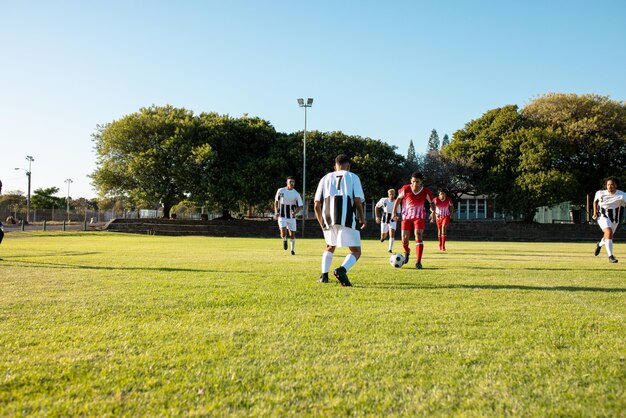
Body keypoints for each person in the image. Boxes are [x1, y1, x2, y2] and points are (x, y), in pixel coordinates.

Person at [314, 154, 366, 286]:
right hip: (346, 216)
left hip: (328, 217)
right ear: (348, 166)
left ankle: (324, 276)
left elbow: (316, 204)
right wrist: (362, 217)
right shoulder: (352, 176)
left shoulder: (325, 178)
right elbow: (357, 200)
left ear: (334, 167)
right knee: (355, 250)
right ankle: (342, 270)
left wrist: (322, 223)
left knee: (330, 246)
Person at [392, 172, 434, 269]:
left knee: (418, 235)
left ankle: (418, 261)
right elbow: (398, 199)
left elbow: (431, 203)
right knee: (404, 238)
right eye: (413, 181)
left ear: (421, 182)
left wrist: (433, 211)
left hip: (419, 217)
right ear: (411, 180)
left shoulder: (426, 191)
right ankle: (407, 251)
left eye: (417, 181)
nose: (415, 183)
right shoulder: (406, 188)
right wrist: (394, 212)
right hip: (406, 217)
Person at [592, 176, 626, 263]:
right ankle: (610, 256)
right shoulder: (600, 193)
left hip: (615, 219)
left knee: (608, 236)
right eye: (608, 185)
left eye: (612, 185)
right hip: (602, 216)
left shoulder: (622, 195)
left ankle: (599, 244)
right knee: (608, 231)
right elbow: (595, 201)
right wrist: (595, 213)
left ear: (616, 185)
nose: (609, 187)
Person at [274, 176, 303, 255]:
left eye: (293, 182)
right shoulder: (281, 191)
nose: (292, 183)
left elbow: (300, 206)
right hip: (282, 216)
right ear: (286, 182)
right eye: (290, 181)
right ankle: (284, 240)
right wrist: (276, 211)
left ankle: (292, 250)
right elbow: (276, 201)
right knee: (283, 233)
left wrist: (295, 212)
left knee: (292, 234)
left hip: (291, 217)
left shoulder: (296, 194)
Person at [375, 189, 401, 253]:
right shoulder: (383, 200)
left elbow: (398, 213)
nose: (392, 195)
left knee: (392, 233)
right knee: (384, 235)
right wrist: (377, 217)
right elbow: (376, 207)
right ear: (388, 195)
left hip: (392, 218)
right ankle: (383, 238)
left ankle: (390, 249)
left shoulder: (397, 202)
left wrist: (397, 217)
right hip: (384, 218)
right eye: (390, 194)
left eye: (393, 194)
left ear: (395, 195)